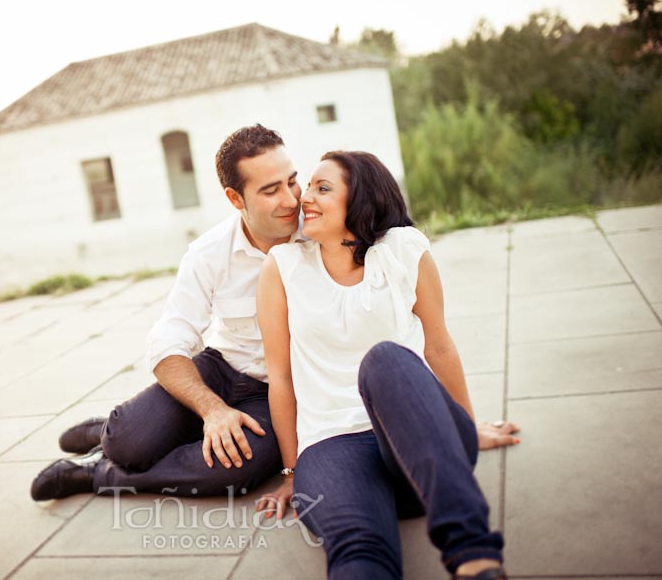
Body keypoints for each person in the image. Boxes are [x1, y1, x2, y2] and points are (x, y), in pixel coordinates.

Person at [255, 151, 519, 580]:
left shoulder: (402, 250)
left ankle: (475, 558)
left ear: (360, 200)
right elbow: (280, 376)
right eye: (310, 186)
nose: (306, 198)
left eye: (323, 188)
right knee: (358, 549)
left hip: (416, 436)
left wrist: (465, 428)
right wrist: (290, 472)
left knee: (385, 360)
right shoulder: (282, 268)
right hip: (331, 446)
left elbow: (439, 347)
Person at [29, 124, 303, 500]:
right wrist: (212, 409)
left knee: (238, 467)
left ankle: (98, 474)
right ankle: (110, 434)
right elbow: (169, 336)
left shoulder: (321, 236)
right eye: (271, 190)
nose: (291, 200)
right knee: (129, 442)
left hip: (278, 392)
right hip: (220, 370)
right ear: (235, 198)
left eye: (292, 181)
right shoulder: (209, 253)